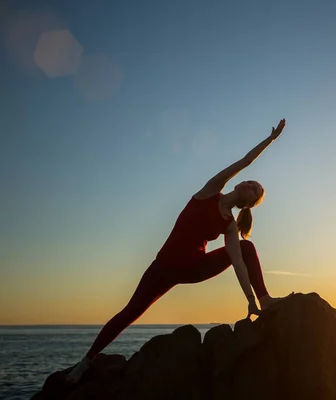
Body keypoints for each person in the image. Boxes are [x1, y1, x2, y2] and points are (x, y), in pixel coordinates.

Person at [66, 119, 289, 383]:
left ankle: (265, 300)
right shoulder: (211, 190)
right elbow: (245, 161)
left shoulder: (229, 225)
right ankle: (85, 361)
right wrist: (270, 140)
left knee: (246, 247)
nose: (250, 184)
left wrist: (250, 299)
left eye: (255, 189)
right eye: (251, 182)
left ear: (249, 203)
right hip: (162, 268)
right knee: (129, 313)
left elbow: (238, 263)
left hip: (194, 267)